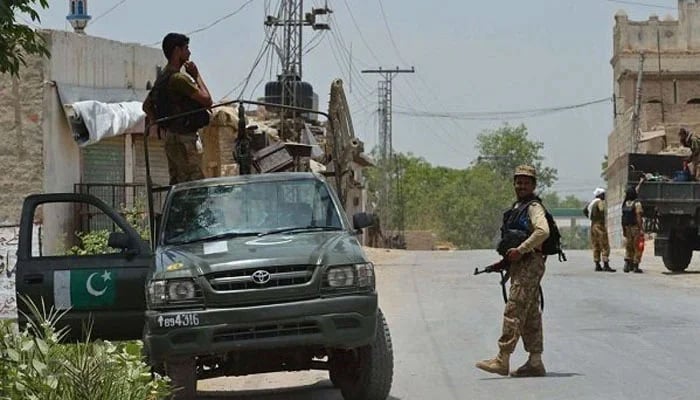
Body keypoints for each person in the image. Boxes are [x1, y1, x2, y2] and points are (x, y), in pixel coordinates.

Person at [476, 165, 549, 378]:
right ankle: (535, 361)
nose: (521, 185)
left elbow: (543, 231)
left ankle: (502, 358)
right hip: (522, 264)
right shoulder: (518, 207)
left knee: (514, 309)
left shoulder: (534, 207)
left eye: (526, 182)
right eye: (518, 181)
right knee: (530, 313)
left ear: (534, 185)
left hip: (530, 263)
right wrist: (506, 262)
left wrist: (521, 250)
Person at [143, 32, 213, 185]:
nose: (189, 52)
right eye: (186, 48)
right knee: (195, 183)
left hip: (171, 138)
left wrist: (158, 123)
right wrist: (196, 75)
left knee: (177, 182)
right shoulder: (178, 78)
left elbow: (146, 105)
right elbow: (207, 101)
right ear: (177, 51)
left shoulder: (163, 77)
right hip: (185, 139)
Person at [587, 187, 615, 272]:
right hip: (599, 225)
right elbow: (602, 210)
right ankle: (606, 264)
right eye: (603, 194)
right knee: (604, 244)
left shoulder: (592, 203)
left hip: (593, 225)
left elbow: (585, 210)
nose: (604, 196)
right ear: (600, 195)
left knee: (596, 245)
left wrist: (592, 217)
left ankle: (597, 264)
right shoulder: (599, 202)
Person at [621, 178, 645, 273]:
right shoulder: (637, 204)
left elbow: (623, 218)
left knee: (629, 246)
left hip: (627, 228)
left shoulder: (625, 203)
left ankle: (627, 264)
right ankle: (635, 266)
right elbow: (638, 217)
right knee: (637, 247)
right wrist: (641, 228)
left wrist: (640, 183)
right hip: (635, 228)